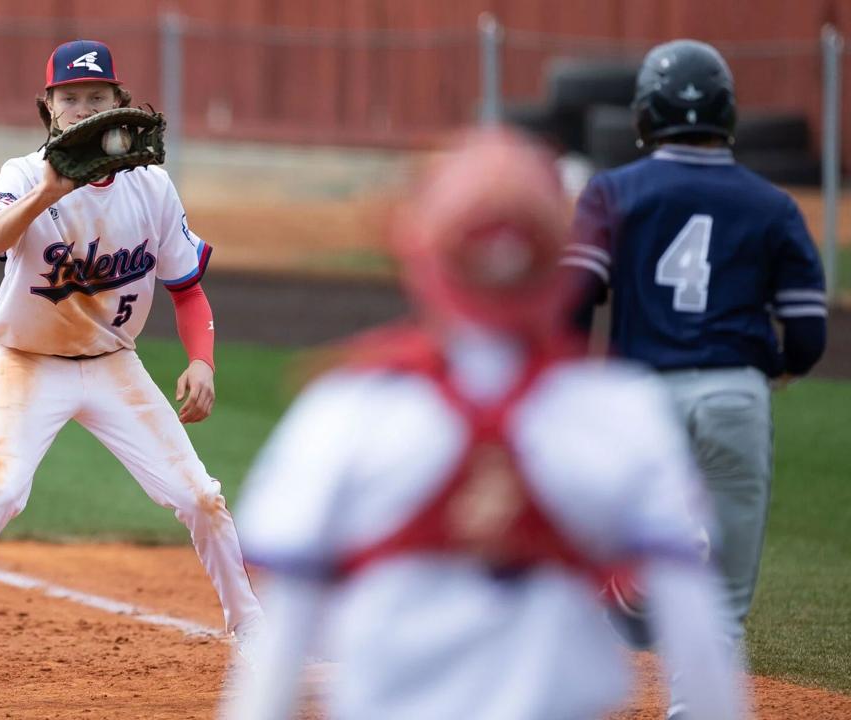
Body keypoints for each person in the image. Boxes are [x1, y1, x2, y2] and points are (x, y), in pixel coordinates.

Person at [220, 129, 746, 720]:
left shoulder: (348, 409)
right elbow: (699, 638)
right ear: (562, 258)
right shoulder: (622, 411)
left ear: (422, 253)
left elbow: (280, 650)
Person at [0, 39, 263, 708]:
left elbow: (187, 289)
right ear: (49, 108)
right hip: (26, 364)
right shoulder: (22, 174)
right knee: (0, 493)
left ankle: (255, 634)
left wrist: (202, 361)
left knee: (200, 497)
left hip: (113, 366)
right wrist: (48, 188)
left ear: (119, 104)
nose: (84, 107)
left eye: (97, 97)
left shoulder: (152, 185)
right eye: (70, 98)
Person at [562, 39, 827, 719]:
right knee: (722, 606)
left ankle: (634, 584)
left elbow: (571, 300)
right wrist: (780, 366)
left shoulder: (613, 191)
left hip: (641, 399)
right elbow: (808, 335)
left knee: (609, 551)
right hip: (737, 396)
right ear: (729, 115)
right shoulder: (774, 206)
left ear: (646, 117)